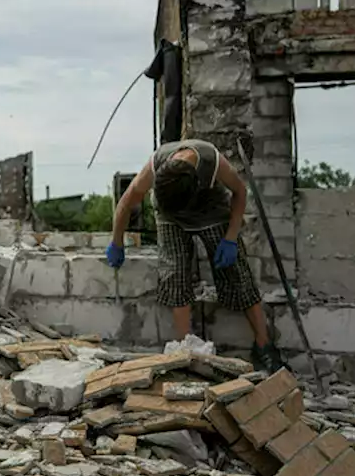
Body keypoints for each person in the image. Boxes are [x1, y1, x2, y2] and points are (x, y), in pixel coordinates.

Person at [106, 139, 283, 372]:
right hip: (171, 218)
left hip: (211, 212)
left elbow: (240, 192)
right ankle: (186, 349)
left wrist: (230, 238)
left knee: (237, 274)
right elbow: (127, 202)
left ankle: (264, 346)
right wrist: (117, 241)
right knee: (174, 275)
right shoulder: (156, 165)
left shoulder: (212, 161)